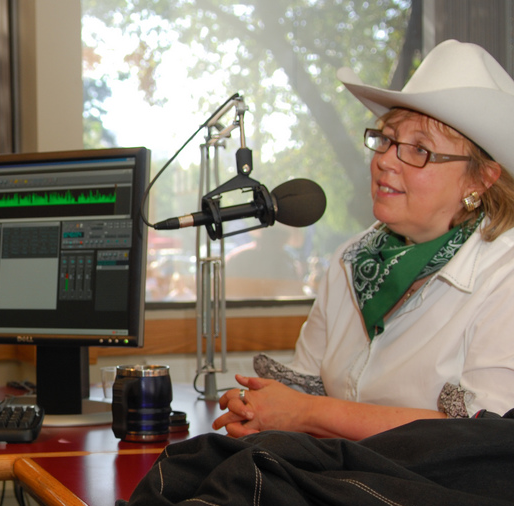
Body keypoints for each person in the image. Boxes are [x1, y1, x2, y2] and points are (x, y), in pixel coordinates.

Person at [215, 40, 514, 441]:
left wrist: (305, 414)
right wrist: (259, 411)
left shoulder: (505, 276)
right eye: (386, 139)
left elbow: (483, 438)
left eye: (420, 150)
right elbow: (305, 389)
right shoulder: (350, 259)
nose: (386, 160)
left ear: (481, 179)